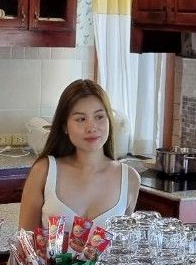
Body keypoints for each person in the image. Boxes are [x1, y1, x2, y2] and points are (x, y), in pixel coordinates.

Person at [19, 80, 139, 234]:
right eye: (81, 119)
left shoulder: (129, 178)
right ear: (65, 127)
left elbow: (124, 251)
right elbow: (23, 244)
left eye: (99, 117)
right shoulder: (44, 171)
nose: (91, 127)